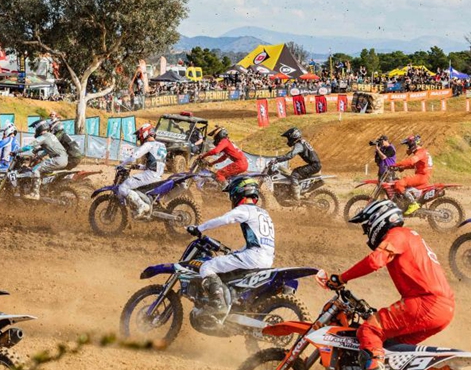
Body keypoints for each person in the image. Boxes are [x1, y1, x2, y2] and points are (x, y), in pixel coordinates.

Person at [318, 200, 454, 370]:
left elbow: (375, 261)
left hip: (426, 302)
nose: (367, 232)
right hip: (443, 307)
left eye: (367, 226)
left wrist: (341, 278)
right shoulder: (412, 236)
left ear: (379, 219)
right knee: (388, 348)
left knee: (369, 331)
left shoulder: (397, 234)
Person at [186, 177, 274, 318]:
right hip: (265, 259)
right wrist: (237, 252)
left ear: (238, 192)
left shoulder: (245, 209)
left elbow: (224, 219)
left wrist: (199, 228)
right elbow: (258, 241)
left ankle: (218, 304)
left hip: (253, 257)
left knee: (207, 267)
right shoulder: (264, 214)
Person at [117, 123, 166, 218]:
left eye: (140, 136)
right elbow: (156, 163)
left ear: (145, 133)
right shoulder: (162, 145)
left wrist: (121, 165)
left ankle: (142, 206)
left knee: (123, 187)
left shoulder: (149, 144)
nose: (140, 139)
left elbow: (133, 157)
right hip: (158, 176)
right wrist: (138, 166)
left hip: (150, 176)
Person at [270, 127, 321, 201]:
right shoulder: (302, 142)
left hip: (314, 165)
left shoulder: (299, 144)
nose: (288, 140)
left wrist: (277, 159)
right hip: (314, 164)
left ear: (293, 136)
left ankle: (297, 198)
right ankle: (295, 191)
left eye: (288, 138)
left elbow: (290, 155)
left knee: (294, 175)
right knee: (295, 172)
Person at [22, 120, 67, 200]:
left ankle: (35, 194)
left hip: (58, 159)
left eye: (35, 128)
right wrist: (38, 157)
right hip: (63, 158)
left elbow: (29, 146)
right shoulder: (50, 135)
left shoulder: (43, 137)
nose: (35, 131)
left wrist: (16, 152)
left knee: (35, 169)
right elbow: (48, 149)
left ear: (39, 127)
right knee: (42, 170)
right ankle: (44, 190)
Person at [391, 135, 432, 216]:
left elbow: (411, 161)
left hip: (422, 177)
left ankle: (413, 204)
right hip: (423, 176)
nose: (408, 147)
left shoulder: (421, 152)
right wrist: (402, 167)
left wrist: (396, 164)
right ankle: (406, 204)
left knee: (399, 183)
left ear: (413, 144)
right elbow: (415, 165)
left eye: (408, 145)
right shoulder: (422, 152)